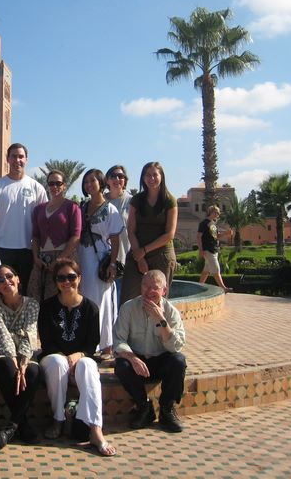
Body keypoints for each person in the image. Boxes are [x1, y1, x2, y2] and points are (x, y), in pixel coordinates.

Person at [38, 258, 117, 457]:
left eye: (71, 277)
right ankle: (58, 419)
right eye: (61, 278)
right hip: (54, 358)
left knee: (88, 366)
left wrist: (78, 355)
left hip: (82, 357)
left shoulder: (91, 308)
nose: (67, 282)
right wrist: (65, 358)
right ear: (56, 282)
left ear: (79, 278)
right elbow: (47, 343)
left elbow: (92, 344)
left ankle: (95, 430)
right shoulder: (47, 307)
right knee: (57, 363)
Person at [113, 269, 187, 433]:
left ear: (164, 290)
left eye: (154, 287)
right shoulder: (128, 308)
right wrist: (133, 358)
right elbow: (118, 341)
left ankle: (167, 409)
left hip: (161, 360)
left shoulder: (171, 312)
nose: (149, 291)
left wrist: (161, 320)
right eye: (145, 286)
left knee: (179, 361)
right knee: (121, 365)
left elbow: (176, 346)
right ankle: (144, 407)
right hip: (137, 361)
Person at [0, 264, 41, 447]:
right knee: (7, 368)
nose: (6, 281)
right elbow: (2, 336)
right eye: (1, 280)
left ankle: (12, 426)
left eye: (9, 276)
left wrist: (23, 362)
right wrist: (14, 361)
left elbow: (30, 334)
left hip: (26, 352)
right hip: (0, 352)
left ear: (18, 279)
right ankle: (22, 425)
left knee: (32, 372)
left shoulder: (32, 304)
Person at [0, 143, 48, 295]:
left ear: (26, 160)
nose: (17, 160)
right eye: (13, 156)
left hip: (28, 249)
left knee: (24, 291)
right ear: (7, 159)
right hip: (1, 248)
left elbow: (43, 221)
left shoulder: (36, 188)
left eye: (21, 157)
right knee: (1, 291)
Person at [77, 168, 123, 357]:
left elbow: (115, 240)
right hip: (81, 261)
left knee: (101, 303)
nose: (89, 184)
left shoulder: (110, 210)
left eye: (92, 181)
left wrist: (112, 264)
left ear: (101, 183)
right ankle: (85, 343)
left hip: (99, 264)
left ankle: (105, 344)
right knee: (83, 301)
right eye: (86, 181)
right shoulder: (81, 207)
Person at [121, 162, 178, 306]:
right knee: (128, 301)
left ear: (161, 177)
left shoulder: (169, 200)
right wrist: (139, 256)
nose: (151, 178)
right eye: (148, 175)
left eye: (155, 175)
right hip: (137, 254)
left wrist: (144, 250)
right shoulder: (137, 200)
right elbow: (131, 230)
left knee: (157, 301)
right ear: (143, 178)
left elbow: (169, 234)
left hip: (162, 255)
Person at [27, 169, 82, 302]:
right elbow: (35, 236)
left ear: (64, 185)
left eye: (58, 183)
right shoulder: (39, 209)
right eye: (51, 183)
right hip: (42, 259)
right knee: (35, 295)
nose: (54, 187)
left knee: (62, 296)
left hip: (65, 257)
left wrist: (59, 260)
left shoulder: (72, 207)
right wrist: (36, 257)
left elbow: (75, 236)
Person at [197, 205, 230, 291]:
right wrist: (201, 250)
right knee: (216, 269)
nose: (217, 215)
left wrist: (226, 233)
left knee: (206, 271)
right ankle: (223, 288)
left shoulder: (213, 224)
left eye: (218, 213)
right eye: (216, 213)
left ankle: (198, 287)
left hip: (214, 250)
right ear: (211, 212)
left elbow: (216, 236)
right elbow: (198, 236)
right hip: (208, 250)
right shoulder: (204, 223)